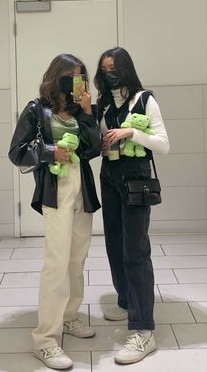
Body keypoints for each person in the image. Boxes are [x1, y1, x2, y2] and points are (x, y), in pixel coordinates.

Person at [8, 54, 101, 370]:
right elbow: (17, 152)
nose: (77, 82)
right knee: (57, 262)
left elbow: (92, 148)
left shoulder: (80, 109)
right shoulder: (37, 109)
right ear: (57, 76)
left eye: (81, 77)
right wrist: (50, 152)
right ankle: (45, 339)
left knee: (77, 258)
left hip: (82, 188)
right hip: (56, 190)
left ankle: (70, 316)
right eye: (71, 77)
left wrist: (88, 112)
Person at [94, 47, 169, 364]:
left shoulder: (144, 99)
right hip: (110, 178)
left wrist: (131, 132)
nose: (109, 72)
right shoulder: (104, 104)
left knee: (135, 250)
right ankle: (127, 301)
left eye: (113, 67)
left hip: (136, 181)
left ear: (125, 69)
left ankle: (143, 331)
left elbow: (163, 145)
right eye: (104, 68)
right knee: (114, 243)